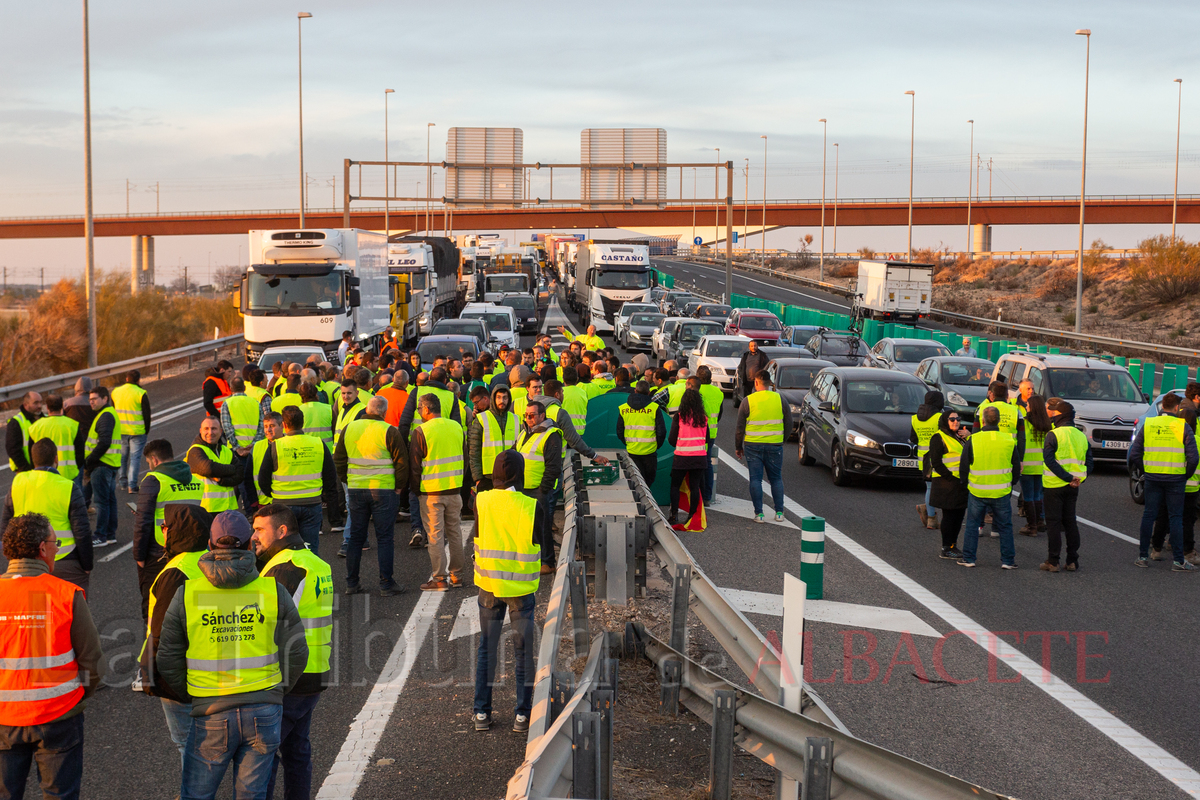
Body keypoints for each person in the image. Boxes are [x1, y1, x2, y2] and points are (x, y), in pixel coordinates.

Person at [156, 511, 308, 800]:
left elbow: (168, 656)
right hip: (263, 709)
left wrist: (193, 695)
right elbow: (297, 651)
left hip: (210, 711)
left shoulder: (187, 593)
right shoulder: (272, 590)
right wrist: (276, 691)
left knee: (197, 795)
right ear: (249, 545)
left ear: (210, 546)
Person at [0, 513, 104, 800]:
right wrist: (79, 695)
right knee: (60, 794)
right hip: (59, 714)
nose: (57, 548)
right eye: (55, 542)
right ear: (41, 549)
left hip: (3, 719)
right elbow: (92, 660)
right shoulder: (65, 594)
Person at [251, 505, 333, 799]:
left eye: (260, 529)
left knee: (264, 754)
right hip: (314, 670)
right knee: (297, 750)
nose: (254, 536)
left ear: (282, 531)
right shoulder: (316, 563)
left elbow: (264, 625)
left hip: (290, 676)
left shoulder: (283, 569)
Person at [471, 451, 543, 734]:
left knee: (486, 648)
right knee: (523, 652)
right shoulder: (530, 505)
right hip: (520, 588)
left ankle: (481, 712)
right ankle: (522, 716)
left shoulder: (482, 500)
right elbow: (540, 542)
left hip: (488, 583)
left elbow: (478, 532)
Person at [138, 504, 212, 763]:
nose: (162, 530)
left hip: (180, 671)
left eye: (165, 527)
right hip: (212, 663)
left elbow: (162, 634)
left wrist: (153, 675)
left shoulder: (175, 571)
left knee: (187, 743)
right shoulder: (210, 559)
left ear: (176, 532)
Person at [0, 438, 93, 594]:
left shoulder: (18, 482)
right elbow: (82, 532)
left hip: (26, 562)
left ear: (32, 459)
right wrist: (87, 565)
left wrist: (12, 561)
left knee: (35, 612)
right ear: (56, 459)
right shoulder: (68, 486)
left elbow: (5, 525)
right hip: (64, 557)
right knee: (72, 610)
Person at [335, 397, 407, 593]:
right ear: (383, 412)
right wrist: (399, 487)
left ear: (367, 409)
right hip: (384, 490)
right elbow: (401, 462)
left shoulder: (350, 428)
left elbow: (339, 458)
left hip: (357, 489)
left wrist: (347, 479)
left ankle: (352, 583)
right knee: (384, 538)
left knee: (356, 538)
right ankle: (386, 583)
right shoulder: (389, 430)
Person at [133, 439, 203, 617]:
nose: (149, 467)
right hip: (191, 552)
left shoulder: (153, 480)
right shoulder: (196, 480)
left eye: (149, 463)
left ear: (154, 460)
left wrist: (139, 556)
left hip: (159, 551)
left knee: (154, 605)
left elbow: (143, 521)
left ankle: (153, 643)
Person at [1131, 391, 1199, 570]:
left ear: (1162, 407)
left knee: (1149, 515)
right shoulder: (1182, 426)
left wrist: (1146, 469)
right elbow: (1193, 458)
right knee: (1175, 518)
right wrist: (1185, 475)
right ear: (1177, 407)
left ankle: (1143, 557)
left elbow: (1135, 453)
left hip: (1153, 477)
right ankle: (1178, 561)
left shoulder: (1150, 424)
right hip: (1176, 478)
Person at [259, 406, 339, 553]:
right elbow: (330, 476)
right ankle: (310, 575)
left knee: (284, 549)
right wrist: (322, 495)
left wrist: (274, 494)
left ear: (283, 425)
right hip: (311, 503)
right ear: (303, 423)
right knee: (309, 548)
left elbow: (263, 478)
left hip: (283, 504)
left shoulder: (276, 446)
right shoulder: (318, 443)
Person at [410, 394, 466, 591]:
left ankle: (440, 579)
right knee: (455, 533)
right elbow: (464, 457)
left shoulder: (421, 431)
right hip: (454, 489)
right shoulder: (457, 427)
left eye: (419, 409)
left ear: (426, 409)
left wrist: (416, 491)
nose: (418, 412)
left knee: (435, 536)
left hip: (431, 492)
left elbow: (415, 467)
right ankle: (457, 576)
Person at [957, 405, 1023, 569]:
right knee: (1005, 526)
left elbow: (964, 465)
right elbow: (1016, 466)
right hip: (1001, 491)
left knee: (972, 525)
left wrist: (965, 484)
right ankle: (1008, 561)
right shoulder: (1008, 440)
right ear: (999, 420)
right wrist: (1011, 484)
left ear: (982, 420)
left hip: (977, 489)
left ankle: (969, 558)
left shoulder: (974, 439)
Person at [1039, 398, 1093, 572]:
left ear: (1061, 416)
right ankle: (1072, 560)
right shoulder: (1081, 436)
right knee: (1070, 522)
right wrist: (1078, 479)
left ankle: (1053, 561)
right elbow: (1090, 462)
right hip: (1073, 487)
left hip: (1054, 485)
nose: (1052, 416)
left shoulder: (1053, 434)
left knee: (1054, 523)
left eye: (1055, 413)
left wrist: (1066, 477)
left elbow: (1048, 460)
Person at [1152, 386, 1200, 565]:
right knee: (1186, 519)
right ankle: (1187, 552)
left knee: (1164, 514)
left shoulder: (1171, 437)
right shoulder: (1196, 440)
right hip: (1190, 485)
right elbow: (1194, 460)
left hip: (1170, 481)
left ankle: (1156, 547)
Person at [735, 373, 791, 523]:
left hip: (753, 445)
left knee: (755, 479)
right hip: (775, 444)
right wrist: (781, 440)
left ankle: (759, 514)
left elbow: (740, 427)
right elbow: (789, 423)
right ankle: (779, 512)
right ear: (769, 383)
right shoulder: (780, 399)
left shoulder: (748, 401)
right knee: (776, 479)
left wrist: (738, 447)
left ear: (756, 382)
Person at [517, 401, 563, 572]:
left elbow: (553, 466)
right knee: (529, 527)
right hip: (525, 487)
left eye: (532, 415)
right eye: (526, 415)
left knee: (543, 526)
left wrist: (544, 489)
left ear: (542, 416)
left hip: (540, 489)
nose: (528, 418)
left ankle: (547, 562)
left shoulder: (551, 435)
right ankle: (535, 560)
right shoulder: (525, 433)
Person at [668, 385, 712, 526]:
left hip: (681, 457)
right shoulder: (703, 418)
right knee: (695, 486)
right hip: (699, 457)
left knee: (675, 485)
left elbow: (671, 439)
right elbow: (707, 439)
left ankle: (674, 515)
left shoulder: (679, 417)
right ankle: (692, 516)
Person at [928, 409, 969, 559]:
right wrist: (950, 477)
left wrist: (969, 437)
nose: (956, 421)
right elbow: (936, 462)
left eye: (958, 418)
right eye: (952, 419)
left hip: (960, 483)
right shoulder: (938, 437)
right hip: (947, 484)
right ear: (945, 421)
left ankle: (953, 545)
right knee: (950, 516)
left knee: (958, 517)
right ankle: (946, 547)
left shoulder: (959, 437)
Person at [85, 386, 121, 547]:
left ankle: (100, 535)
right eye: (90, 399)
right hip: (110, 464)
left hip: (102, 465)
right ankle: (109, 535)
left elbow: (104, 441)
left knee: (102, 502)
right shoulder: (108, 413)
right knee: (109, 501)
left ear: (105, 398)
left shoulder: (105, 416)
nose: (90, 402)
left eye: (94, 399)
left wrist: (89, 461)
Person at [186, 416, 244, 514]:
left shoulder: (226, 451)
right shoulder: (195, 451)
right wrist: (232, 469)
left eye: (214, 429)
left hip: (228, 509)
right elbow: (208, 469)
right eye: (206, 429)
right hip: (206, 510)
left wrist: (222, 480)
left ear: (220, 431)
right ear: (200, 431)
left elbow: (240, 474)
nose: (210, 432)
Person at [469, 386, 517, 493]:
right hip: (487, 477)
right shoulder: (481, 418)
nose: (502, 401)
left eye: (505, 398)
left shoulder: (515, 419)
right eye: (498, 397)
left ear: (509, 399)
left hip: (510, 476)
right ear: (493, 399)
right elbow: (474, 451)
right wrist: (477, 478)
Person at [617, 381, 666, 486]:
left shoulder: (624, 408)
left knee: (636, 482)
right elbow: (661, 431)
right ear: (648, 392)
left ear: (635, 391)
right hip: (650, 451)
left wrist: (628, 443)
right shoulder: (654, 408)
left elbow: (619, 430)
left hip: (632, 450)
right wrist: (656, 445)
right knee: (648, 482)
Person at [111, 369, 151, 495]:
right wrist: (146, 430)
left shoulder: (116, 392)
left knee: (122, 457)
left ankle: (123, 483)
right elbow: (146, 414)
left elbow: (112, 411)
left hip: (120, 430)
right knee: (135, 458)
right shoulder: (141, 393)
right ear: (138, 380)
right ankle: (132, 485)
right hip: (137, 432)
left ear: (126, 379)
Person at [1018, 395, 1052, 537]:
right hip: (1042, 465)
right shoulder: (1047, 424)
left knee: (1028, 496)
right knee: (1038, 495)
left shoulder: (1025, 423)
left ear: (1032, 407)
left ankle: (1031, 527)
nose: (1026, 407)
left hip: (1026, 465)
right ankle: (1038, 522)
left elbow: (1018, 441)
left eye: (1027, 405)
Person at [29, 394, 81, 484]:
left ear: (47, 407)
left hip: (43, 476)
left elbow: (31, 452)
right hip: (69, 475)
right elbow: (80, 452)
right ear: (62, 406)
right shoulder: (72, 425)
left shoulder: (36, 427)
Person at [910, 391, 944, 530]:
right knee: (942, 487)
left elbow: (913, 438)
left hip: (923, 458)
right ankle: (929, 514)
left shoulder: (915, 418)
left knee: (930, 487)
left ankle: (930, 516)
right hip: (938, 457)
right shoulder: (939, 418)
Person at [695, 367, 724, 506]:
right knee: (707, 464)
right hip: (711, 433)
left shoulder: (697, 391)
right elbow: (720, 413)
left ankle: (695, 495)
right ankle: (707, 496)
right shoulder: (718, 392)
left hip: (696, 433)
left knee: (693, 463)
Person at [221, 377, 265, 463]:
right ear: (244, 388)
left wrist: (237, 447)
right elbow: (262, 426)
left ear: (231, 389)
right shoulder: (255, 403)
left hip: (234, 451)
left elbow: (226, 427)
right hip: (254, 449)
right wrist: (254, 444)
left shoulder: (227, 403)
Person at [6, 391, 43, 473]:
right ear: (25, 405)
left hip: (45, 469)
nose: (40, 406)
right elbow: (13, 449)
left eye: (41, 402)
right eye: (36, 403)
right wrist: (26, 470)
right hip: (26, 471)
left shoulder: (46, 419)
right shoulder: (16, 422)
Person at [296, 382, 333, 454]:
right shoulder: (329, 409)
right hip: (327, 450)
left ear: (301, 395)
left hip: (307, 451)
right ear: (316, 394)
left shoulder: (298, 411)